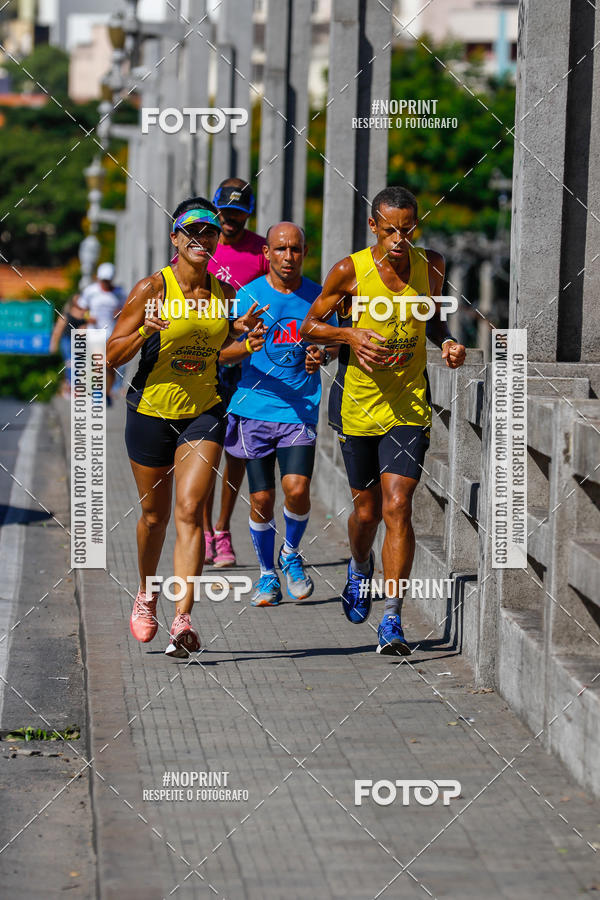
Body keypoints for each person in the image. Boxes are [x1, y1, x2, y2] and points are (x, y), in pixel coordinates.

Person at [300, 186, 466, 654]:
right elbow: (310, 325)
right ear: (373, 226)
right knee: (367, 512)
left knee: (398, 505)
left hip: (408, 404)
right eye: (390, 229)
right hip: (357, 404)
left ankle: (391, 621)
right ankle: (358, 564)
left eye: (407, 229)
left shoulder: (430, 265)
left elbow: (431, 318)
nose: (399, 238)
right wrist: (349, 334)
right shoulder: (349, 270)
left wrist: (447, 343)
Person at [106, 197, 266, 658]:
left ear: (218, 240)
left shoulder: (222, 292)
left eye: (210, 232)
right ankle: (146, 592)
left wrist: (245, 342)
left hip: (204, 411)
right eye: (191, 232)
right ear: (175, 238)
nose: (201, 240)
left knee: (191, 510)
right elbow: (110, 358)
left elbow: (216, 355)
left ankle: (183, 620)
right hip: (150, 411)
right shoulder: (152, 288)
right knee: (154, 517)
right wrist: (144, 331)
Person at [219, 221, 337, 606]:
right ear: (266, 253)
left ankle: (290, 553)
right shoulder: (247, 296)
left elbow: (332, 345)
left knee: (297, 489)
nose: (289, 257)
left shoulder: (319, 298)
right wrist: (245, 347)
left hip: (298, 409)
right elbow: (220, 352)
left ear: (305, 252)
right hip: (253, 408)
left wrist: (322, 354)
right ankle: (267, 574)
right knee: (262, 500)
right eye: (281, 249)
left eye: (296, 249)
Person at [201, 177, 270, 568]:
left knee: (237, 452)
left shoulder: (262, 250)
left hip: (249, 363)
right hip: (209, 359)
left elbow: (280, 293)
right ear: (216, 211)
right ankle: (206, 530)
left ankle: (224, 529)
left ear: (249, 214)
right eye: (225, 213)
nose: (231, 221)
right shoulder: (201, 247)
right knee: (207, 450)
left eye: (239, 214)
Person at [74, 262, 125, 405]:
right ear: (98, 278)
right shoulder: (91, 291)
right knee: (99, 363)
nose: (105, 283)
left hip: (112, 333)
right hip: (94, 331)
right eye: (103, 280)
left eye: (108, 280)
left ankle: (106, 393)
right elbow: (79, 309)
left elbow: (127, 311)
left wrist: (119, 314)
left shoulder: (119, 293)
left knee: (110, 366)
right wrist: (87, 317)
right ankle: (97, 393)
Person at [49, 294, 86, 396]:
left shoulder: (86, 314)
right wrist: (54, 343)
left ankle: (71, 386)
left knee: (78, 363)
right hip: (67, 340)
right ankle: (72, 386)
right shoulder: (66, 315)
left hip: (80, 341)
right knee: (70, 362)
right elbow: (58, 329)